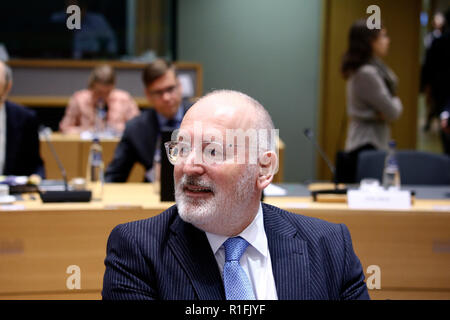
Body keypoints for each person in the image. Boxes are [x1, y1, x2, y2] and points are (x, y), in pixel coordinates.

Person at [102, 90, 370, 300]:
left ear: (264, 169)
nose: (189, 165)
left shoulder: (330, 246)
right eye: (182, 148)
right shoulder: (139, 250)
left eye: (213, 151)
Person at [338, 20, 403, 183]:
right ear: (370, 41)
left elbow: (388, 112)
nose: (387, 40)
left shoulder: (371, 69)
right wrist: (394, 101)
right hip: (367, 143)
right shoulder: (367, 73)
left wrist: (385, 112)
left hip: (371, 141)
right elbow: (393, 111)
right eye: (383, 36)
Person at [104, 59, 190, 182]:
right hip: (154, 195)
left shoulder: (203, 117)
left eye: (170, 89)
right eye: (158, 92)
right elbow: (113, 177)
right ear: (148, 95)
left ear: (180, 86)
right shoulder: (136, 129)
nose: (166, 97)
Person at [59, 64, 140, 135]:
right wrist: (85, 130)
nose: (103, 96)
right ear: (91, 86)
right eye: (99, 92)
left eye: (107, 92)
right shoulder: (79, 99)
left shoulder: (124, 99)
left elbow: (138, 128)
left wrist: (119, 129)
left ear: (113, 86)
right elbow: (64, 128)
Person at [0, 61, 45, 178]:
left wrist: (36, 177)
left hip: (12, 192)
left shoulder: (25, 118)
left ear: (7, 86)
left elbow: (36, 165)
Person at [422, 9, 450, 155]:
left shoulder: (439, 40)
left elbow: (429, 65)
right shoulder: (436, 39)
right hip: (441, 87)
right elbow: (430, 64)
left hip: (441, 87)